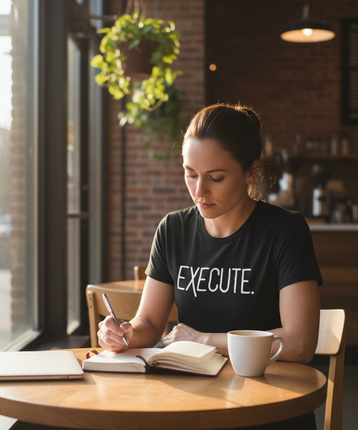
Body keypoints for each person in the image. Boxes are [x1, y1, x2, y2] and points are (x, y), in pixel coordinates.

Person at [97, 103, 322, 430]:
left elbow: (300, 343)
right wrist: (125, 334)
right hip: (194, 402)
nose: (199, 192)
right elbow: (148, 322)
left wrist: (203, 340)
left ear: (251, 171)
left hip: (270, 409)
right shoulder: (172, 230)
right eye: (190, 174)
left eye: (215, 178)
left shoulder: (284, 231)